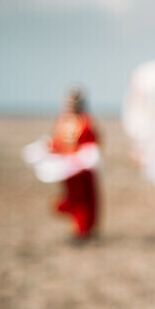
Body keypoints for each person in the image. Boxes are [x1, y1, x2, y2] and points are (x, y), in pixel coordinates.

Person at [48, 86, 100, 240]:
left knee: (85, 201)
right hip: (67, 169)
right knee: (73, 200)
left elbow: (92, 143)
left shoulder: (85, 122)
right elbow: (57, 142)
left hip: (82, 169)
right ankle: (77, 229)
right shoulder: (62, 121)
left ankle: (84, 231)